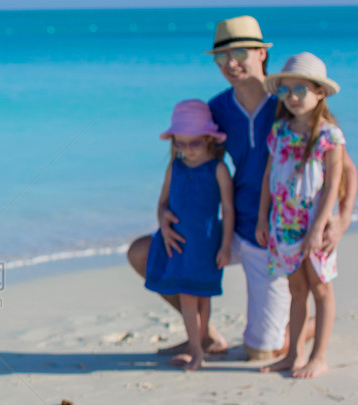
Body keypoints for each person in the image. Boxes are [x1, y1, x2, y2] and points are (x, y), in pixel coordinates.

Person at [127, 15, 357, 360]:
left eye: (240, 54)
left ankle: (303, 327)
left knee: (263, 351)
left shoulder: (291, 99)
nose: (230, 64)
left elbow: (344, 167)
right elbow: (192, 163)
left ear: (261, 53)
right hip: (231, 228)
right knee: (144, 254)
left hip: (277, 234)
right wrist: (165, 214)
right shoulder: (217, 109)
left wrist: (341, 219)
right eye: (221, 57)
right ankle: (204, 336)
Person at [255, 53, 344, 378]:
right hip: (283, 225)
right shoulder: (279, 130)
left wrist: (319, 227)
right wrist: (263, 219)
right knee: (296, 290)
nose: (291, 97)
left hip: (313, 226)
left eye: (300, 90)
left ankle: (318, 356)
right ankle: (293, 354)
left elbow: (334, 184)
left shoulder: (328, 135)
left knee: (321, 289)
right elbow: (268, 177)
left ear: (320, 92)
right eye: (285, 90)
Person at [145, 100, 234, 370]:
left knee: (203, 295)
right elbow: (162, 203)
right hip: (178, 242)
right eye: (179, 144)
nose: (185, 150)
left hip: (206, 242)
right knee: (186, 296)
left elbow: (228, 209)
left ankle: (201, 344)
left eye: (192, 143)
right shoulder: (175, 167)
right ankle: (195, 349)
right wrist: (163, 220)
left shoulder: (218, 169)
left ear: (208, 138)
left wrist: (226, 245)